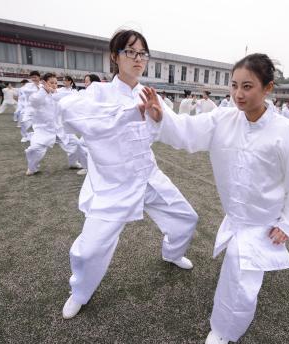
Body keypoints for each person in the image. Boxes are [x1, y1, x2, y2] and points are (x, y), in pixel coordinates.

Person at [142, 53, 289, 344]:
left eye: (248, 86)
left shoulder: (288, 133)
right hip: (235, 215)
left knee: (239, 270)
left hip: (263, 221)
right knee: (242, 265)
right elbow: (189, 130)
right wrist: (161, 117)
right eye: (234, 85)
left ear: (268, 88)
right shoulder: (223, 119)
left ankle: (225, 327)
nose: (238, 94)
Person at [59, 29, 198, 320]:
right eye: (131, 52)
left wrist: (157, 118)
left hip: (147, 175)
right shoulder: (98, 93)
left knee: (186, 219)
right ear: (115, 56)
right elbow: (78, 118)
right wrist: (131, 112)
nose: (138, 59)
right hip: (113, 184)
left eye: (143, 53)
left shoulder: (149, 93)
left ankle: (171, 254)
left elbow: (167, 129)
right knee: (89, 250)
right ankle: (79, 292)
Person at [24, 72, 84, 175]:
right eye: (51, 83)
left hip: (60, 129)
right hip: (43, 130)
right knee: (35, 149)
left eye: (56, 83)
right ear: (44, 83)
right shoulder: (37, 95)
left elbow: (73, 95)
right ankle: (32, 168)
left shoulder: (58, 93)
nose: (54, 85)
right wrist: (44, 90)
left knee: (77, 144)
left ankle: (73, 162)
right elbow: (34, 101)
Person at [76, 74, 101, 175]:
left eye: (87, 81)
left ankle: (93, 168)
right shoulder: (84, 93)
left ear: (94, 83)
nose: (85, 84)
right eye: (85, 81)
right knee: (81, 144)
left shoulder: (102, 94)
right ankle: (88, 168)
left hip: (100, 126)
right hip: (90, 126)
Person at [17, 71, 41, 142]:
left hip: (40, 108)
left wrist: (39, 87)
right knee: (24, 122)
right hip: (29, 107)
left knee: (40, 125)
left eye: (35, 77)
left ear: (39, 77)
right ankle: (25, 136)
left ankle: (39, 137)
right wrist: (37, 90)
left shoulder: (43, 85)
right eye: (32, 77)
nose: (34, 79)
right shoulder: (28, 85)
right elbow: (25, 91)